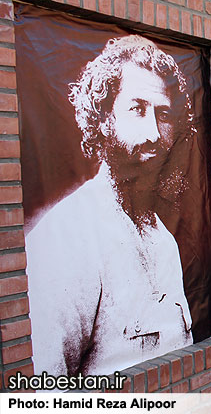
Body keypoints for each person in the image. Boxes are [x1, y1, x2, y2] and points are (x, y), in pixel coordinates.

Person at [26, 35, 195, 377]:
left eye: (163, 114)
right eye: (136, 109)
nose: (152, 133)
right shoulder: (66, 236)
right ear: (104, 119)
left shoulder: (163, 241)